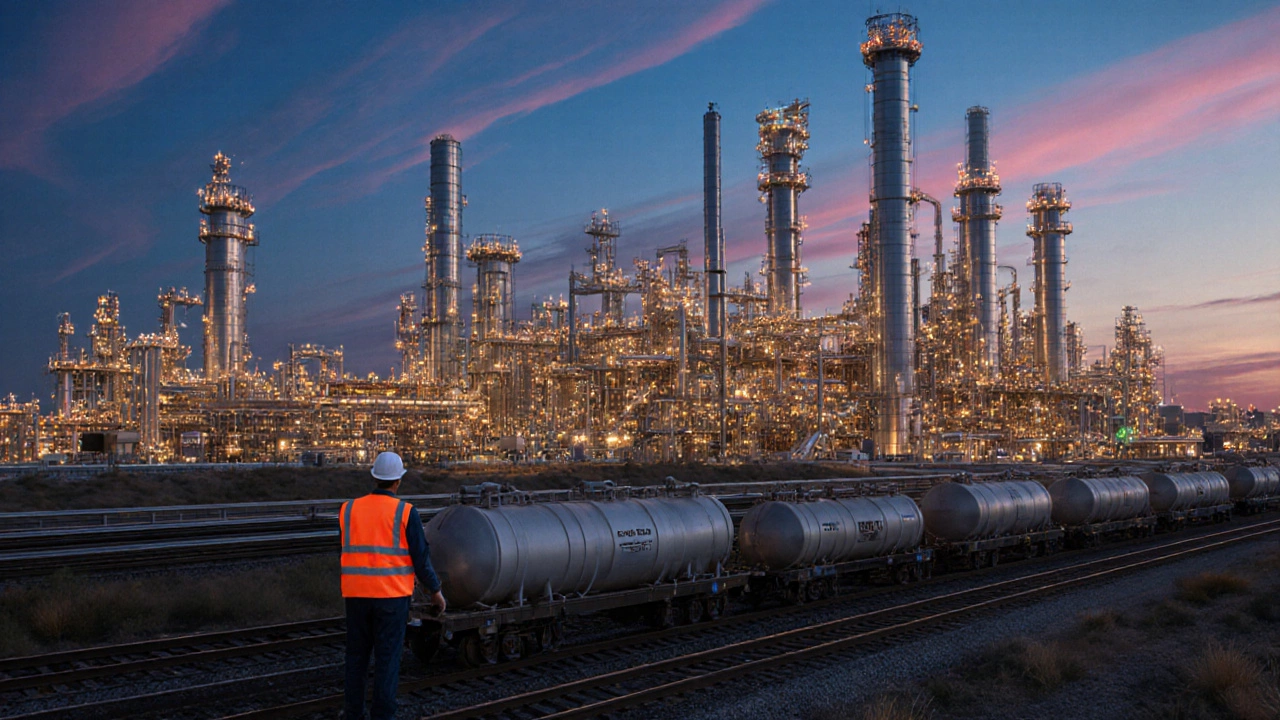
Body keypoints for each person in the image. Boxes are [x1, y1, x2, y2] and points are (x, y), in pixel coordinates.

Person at [341, 451, 446, 720]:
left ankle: (352, 713)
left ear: (374, 478)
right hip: (392, 599)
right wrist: (435, 592)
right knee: (387, 661)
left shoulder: (348, 509)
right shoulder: (405, 512)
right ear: (397, 482)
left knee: (356, 659)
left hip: (355, 597)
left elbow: (344, 550)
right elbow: (420, 559)